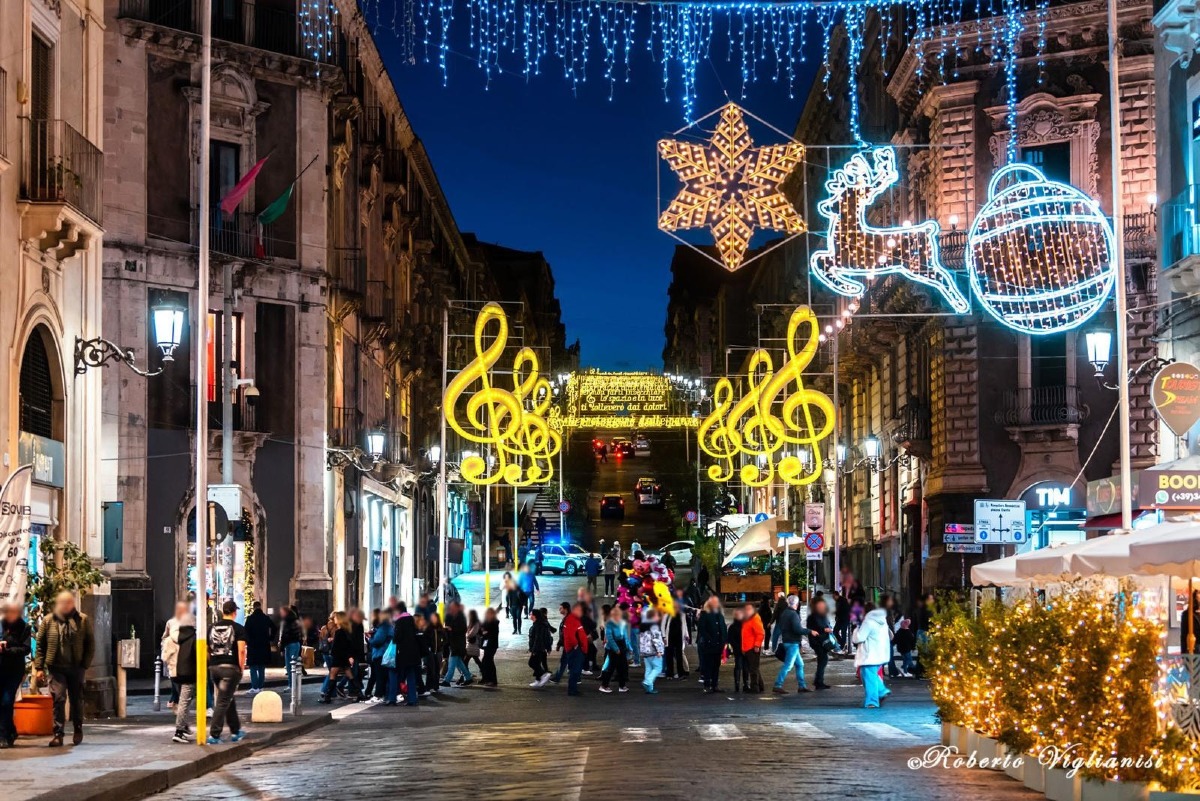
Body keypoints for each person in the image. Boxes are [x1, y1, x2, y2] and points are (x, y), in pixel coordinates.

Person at [34, 591, 95, 747]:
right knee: (59, 699)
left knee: (76, 700)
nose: (66, 606)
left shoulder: (82, 620)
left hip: (76, 667)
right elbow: (40, 645)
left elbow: (90, 644)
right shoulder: (48, 621)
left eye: (69, 602)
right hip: (56, 667)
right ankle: (58, 734)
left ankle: (78, 729)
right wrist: (39, 667)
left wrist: (84, 665)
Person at [207, 600, 247, 743]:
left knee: (228, 698)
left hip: (214, 668)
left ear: (223, 612)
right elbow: (241, 650)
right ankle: (214, 735)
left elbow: (207, 649)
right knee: (223, 701)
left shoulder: (211, 628)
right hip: (229, 669)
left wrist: (211, 662)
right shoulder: (239, 628)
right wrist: (241, 668)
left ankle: (236, 730)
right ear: (235, 612)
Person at [0, 605, 32, 748]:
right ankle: (11, 730)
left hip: (14, 670)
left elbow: (26, 649)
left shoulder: (23, 627)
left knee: (6, 701)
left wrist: (7, 650)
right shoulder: (0, 625)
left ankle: (3, 735)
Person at [853, 603, 892, 708]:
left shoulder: (868, 622)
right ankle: (881, 690)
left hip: (869, 655)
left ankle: (872, 701)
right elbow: (890, 635)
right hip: (880, 654)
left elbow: (858, 638)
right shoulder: (883, 621)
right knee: (871, 675)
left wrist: (857, 629)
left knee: (869, 677)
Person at [772, 594, 810, 694]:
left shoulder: (785, 613)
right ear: (796, 604)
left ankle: (802, 686)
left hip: (788, 641)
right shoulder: (793, 614)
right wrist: (810, 631)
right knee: (788, 666)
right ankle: (777, 684)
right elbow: (798, 629)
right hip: (792, 643)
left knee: (800, 664)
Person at [168, 612, 197, 743]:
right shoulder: (194, 637)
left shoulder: (173, 637)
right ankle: (179, 731)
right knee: (184, 702)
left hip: (174, 672)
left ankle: (184, 727)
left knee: (182, 702)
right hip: (189, 672)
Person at [389, 603, 421, 706]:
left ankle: (392, 699)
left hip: (402, 653)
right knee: (411, 675)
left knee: (395, 675)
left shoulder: (400, 621)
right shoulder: (411, 620)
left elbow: (397, 638)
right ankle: (412, 699)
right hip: (413, 653)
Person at [318, 611, 354, 704]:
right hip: (343, 657)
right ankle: (359, 694)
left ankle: (327, 696)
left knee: (333, 675)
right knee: (348, 675)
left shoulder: (339, 631)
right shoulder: (345, 630)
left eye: (336, 618)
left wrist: (333, 653)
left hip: (338, 657)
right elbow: (348, 645)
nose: (334, 619)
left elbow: (337, 646)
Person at [696, 596, 727, 693]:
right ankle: (707, 685)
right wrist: (709, 640)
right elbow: (702, 629)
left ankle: (715, 684)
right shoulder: (705, 615)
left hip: (718, 645)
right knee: (708, 665)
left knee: (716, 665)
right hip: (709, 645)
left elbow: (723, 628)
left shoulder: (720, 615)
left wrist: (724, 641)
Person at [243, 601, 274, 693]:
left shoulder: (250, 619)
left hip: (253, 645)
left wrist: (248, 641)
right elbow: (274, 627)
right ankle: (260, 686)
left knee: (253, 667)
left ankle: (254, 686)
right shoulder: (265, 618)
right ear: (260, 607)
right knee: (261, 667)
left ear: (253, 608)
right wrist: (270, 638)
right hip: (264, 645)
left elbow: (245, 631)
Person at [599, 605, 630, 693]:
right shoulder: (609, 624)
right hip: (613, 647)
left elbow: (625, 636)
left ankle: (622, 686)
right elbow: (610, 638)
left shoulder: (622, 623)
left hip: (622, 645)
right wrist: (616, 649)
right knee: (611, 667)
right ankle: (604, 685)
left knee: (622, 667)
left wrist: (628, 647)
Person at [806, 596, 835, 690]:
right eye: (820, 605)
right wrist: (824, 629)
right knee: (823, 659)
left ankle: (819, 681)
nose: (822, 607)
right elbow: (812, 627)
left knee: (822, 660)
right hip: (817, 642)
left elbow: (826, 624)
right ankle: (818, 682)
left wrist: (828, 629)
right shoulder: (812, 617)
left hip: (823, 641)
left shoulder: (823, 615)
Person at [562, 602, 589, 696]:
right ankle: (572, 690)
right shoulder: (572, 620)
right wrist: (576, 646)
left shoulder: (573, 619)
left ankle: (573, 689)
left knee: (576, 670)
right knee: (575, 670)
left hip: (576, 649)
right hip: (576, 650)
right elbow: (570, 635)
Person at [444, 603, 473, 686]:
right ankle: (468, 677)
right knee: (459, 663)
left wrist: (451, 629)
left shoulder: (461, 617)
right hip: (454, 643)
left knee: (452, 663)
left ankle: (447, 680)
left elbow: (463, 629)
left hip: (457, 644)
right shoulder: (450, 616)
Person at [367, 609, 394, 702]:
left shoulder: (383, 627)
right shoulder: (387, 626)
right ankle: (384, 695)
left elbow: (377, 641)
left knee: (380, 676)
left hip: (381, 653)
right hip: (384, 653)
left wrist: (370, 639)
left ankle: (378, 695)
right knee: (383, 676)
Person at [741, 602, 765, 694]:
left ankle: (755, 687)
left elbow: (760, 633)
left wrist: (757, 645)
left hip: (752, 647)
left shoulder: (754, 618)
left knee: (753, 669)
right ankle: (760, 685)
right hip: (748, 647)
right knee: (754, 667)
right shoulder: (748, 619)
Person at [639, 609, 665, 694]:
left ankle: (649, 688)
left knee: (649, 669)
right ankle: (648, 682)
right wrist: (660, 650)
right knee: (658, 668)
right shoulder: (654, 626)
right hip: (653, 651)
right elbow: (657, 639)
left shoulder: (643, 626)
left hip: (645, 652)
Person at [527, 608, 555, 687]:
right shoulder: (538, 624)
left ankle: (544, 675)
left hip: (538, 648)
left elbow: (538, 638)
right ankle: (538, 680)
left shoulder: (539, 625)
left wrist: (534, 649)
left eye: (531, 614)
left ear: (534, 616)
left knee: (532, 663)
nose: (530, 615)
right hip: (540, 648)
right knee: (537, 664)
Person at [277, 605, 303, 688]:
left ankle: (291, 685)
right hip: (297, 644)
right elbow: (300, 633)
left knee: (289, 666)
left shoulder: (286, 622)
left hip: (290, 645)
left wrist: (281, 647)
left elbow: (285, 635)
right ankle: (295, 684)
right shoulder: (297, 621)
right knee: (294, 665)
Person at [425, 612, 446, 691]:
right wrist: (428, 647)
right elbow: (425, 639)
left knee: (437, 669)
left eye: (435, 617)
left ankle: (436, 686)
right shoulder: (428, 628)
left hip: (438, 652)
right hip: (430, 652)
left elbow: (445, 639)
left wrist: (441, 645)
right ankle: (428, 686)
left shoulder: (440, 629)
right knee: (431, 669)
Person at [480, 608, 500, 687]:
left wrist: (485, 633)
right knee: (485, 661)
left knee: (488, 661)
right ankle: (486, 678)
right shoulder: (486, 622)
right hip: (486, 644)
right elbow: (482, 630)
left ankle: (492, 680)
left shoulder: (494, 623)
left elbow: (492, 634)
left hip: (492, 645)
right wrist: (483, 632)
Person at [727, 606, 745, 692]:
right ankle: (743, 684)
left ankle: (739, 684)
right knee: (742, 666)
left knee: (740, 667)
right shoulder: (743, 626)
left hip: (739, 649)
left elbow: (730, 639)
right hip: (742, 649)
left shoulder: (733, 627)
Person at [465, 609, 484, 674]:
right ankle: (483, 669)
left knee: (466, 661)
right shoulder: (472, 623)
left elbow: (472, 633)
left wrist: (467, 635)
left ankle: (466, 675)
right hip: (471, 644)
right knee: (475, 659)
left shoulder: (476, 623)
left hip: (473, 644)